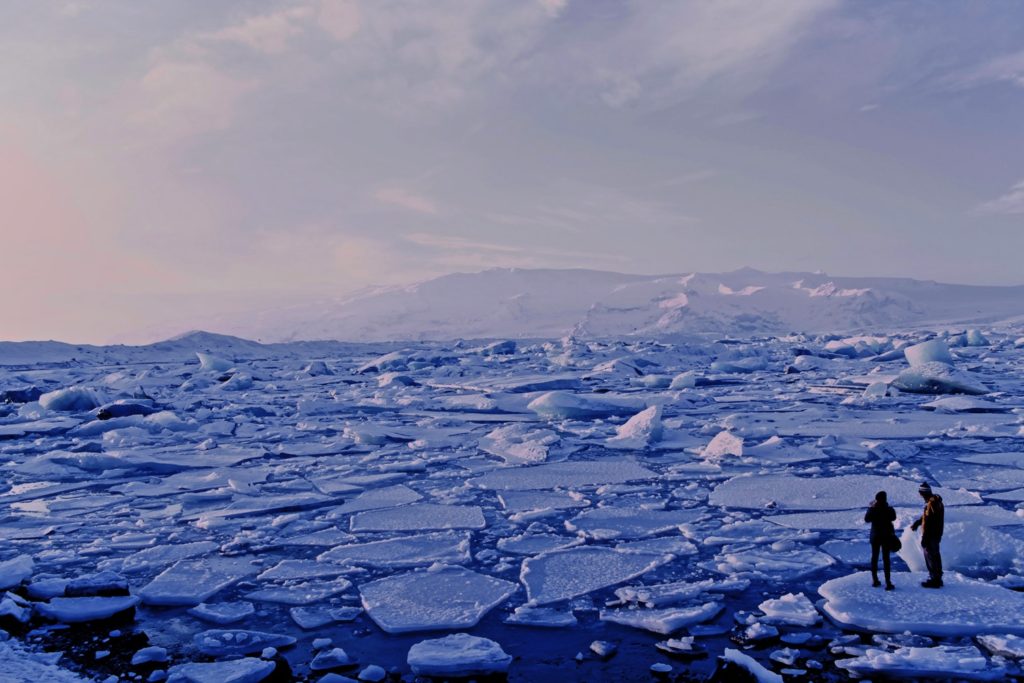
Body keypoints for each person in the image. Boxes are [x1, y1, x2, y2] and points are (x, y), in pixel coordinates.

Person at [910, 481, 944, 588]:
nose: (920, 495)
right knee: (935, 555)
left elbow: (930, 521)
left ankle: (935, 580)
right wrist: (918, 522)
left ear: (922, 493)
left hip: (931, 535)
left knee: (931, 556)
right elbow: (927, 517)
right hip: (935, 534)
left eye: (920, 493)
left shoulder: (932, 504)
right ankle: (937, 578)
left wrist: (925, 537)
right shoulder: (934, 502)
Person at [864, 490, 896, 590]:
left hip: (875, 537)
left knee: (874, 558)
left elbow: (867, 519)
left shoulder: (873, 509)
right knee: (886, 559)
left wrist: (870, 508)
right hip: (886, 537)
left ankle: (875, 580)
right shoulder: (889, 509)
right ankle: (888, 582)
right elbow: (893, 518)